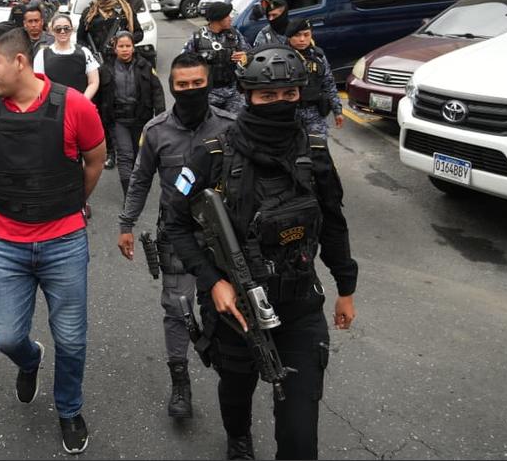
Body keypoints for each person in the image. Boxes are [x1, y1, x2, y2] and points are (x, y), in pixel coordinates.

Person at [163, 46, 358, 460]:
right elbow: (175, 222)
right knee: (236, 390)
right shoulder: (213, 152)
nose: (279, 103)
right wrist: (212, 281)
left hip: (300, 304)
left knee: (300, 437)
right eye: (268, 96)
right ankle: (238, 439)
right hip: (234, 308)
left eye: (289, 94)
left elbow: (334, 221)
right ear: (247, 94)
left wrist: (346, 286)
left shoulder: (316, 152)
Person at [0, 23, 106, 455]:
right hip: (7, 244)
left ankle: (69, 409)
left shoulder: (74, 105)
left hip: (64, 240)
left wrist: (68, 202)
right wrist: (2, 197)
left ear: (19, 60)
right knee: (5, 337)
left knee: (73, 339)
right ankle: (30, 359)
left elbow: (95, 160)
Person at [116, 53, 235, 419]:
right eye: (181, 86)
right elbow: (139, 180)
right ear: (171, 88)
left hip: (225, 236)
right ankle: (180, 381)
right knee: (177, 309)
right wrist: (126, 224)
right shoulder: (156, 131)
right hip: (177, 234)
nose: (190, 91)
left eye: (197, 84)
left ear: (208, 83)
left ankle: (233, 376)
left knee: (229, 306)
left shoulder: (232, 126)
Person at [77, 0, 143, 170]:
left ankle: (134, 150)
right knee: (104, 111)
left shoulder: (124, 10)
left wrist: (124, 40)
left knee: (131, 105)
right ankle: (111, 151)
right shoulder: (89, 13)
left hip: (124, 64)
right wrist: (91, 54)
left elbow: (138, 33)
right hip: (100, 68)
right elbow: (80, 40)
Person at [98, 31, 165, 197]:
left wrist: (161, 116)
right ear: (115, 49)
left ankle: (137, 184)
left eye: (128, 46)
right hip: (117, 120)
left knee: (137, 155)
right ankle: (130, 194)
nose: (125, 49)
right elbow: (97, 96)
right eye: (121, 46)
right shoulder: (105, 69)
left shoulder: (145, 67)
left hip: (140, 119)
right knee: (125, 155)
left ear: (133, 48)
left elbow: (157, 91)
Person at [183, 2, 248, 115]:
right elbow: (183, 63)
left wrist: (245, 57)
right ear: (219, 18)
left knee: (236, 126)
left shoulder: (234, 35)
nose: (230, 18)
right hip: (208, 93)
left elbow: (250, 53)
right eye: (227, 16)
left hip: (233, 92)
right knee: (209, 127)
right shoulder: (197, 38)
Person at [284, 18, 344, 138]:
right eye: (297, 35)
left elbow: (329, 83)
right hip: (289, 115)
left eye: (306, 35)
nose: (302, 39)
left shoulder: (318, 56)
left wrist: (337, 111)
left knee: (319, 150)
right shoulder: (280, 56)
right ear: (289, 36)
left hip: (315, 113)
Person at [33, 13, 100, 100]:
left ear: (72, 30)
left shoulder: (84, 52)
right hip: (52, 106)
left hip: (79, 104)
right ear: (52, 31)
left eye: (66, 28)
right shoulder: (42, 54)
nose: (62, 31)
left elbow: (94, 81)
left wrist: (83, 101)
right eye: (58, 29)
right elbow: (38, 84)